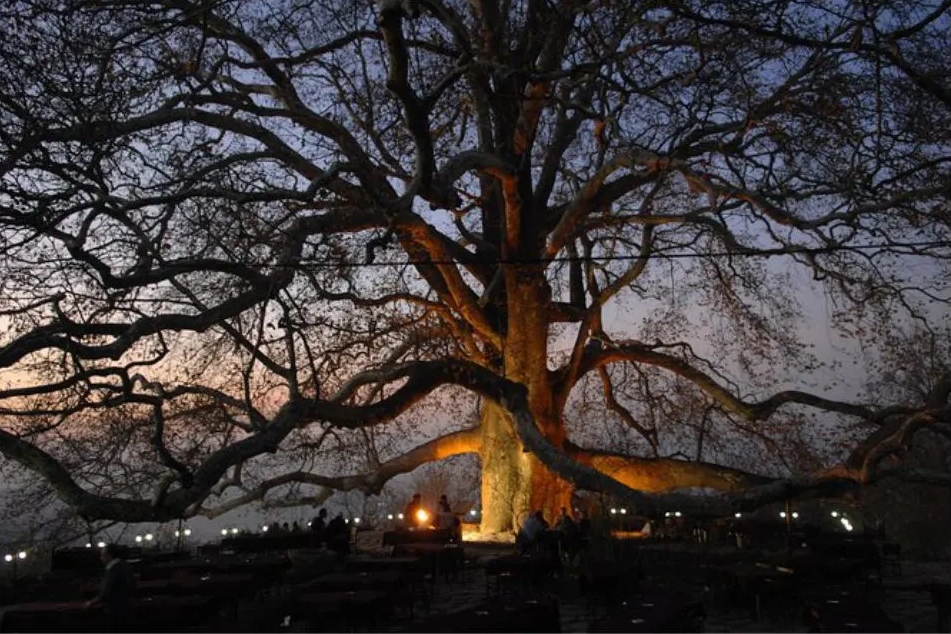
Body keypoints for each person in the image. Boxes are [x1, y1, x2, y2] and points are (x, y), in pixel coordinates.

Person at [85, 543, 136, 631]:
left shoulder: (113, 570)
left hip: (114, 610)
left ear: (109, 556)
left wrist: (92, 602)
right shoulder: (126, 566)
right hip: (127, 608)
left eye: (102, 555)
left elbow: (106, 591)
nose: (101, 558)